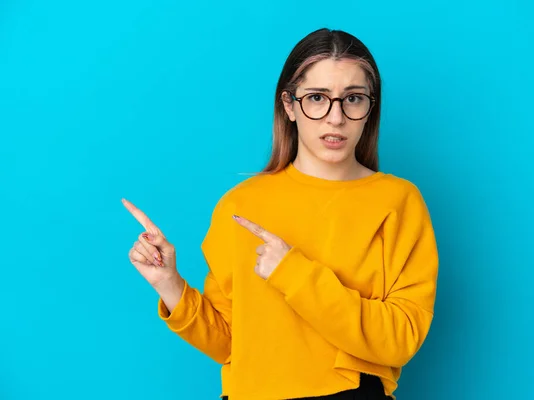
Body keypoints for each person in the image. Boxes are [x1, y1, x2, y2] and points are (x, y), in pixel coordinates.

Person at [122, 28, 438, 400]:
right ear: (289, 105)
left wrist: (294, 273)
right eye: (317, 98)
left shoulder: (397, 201)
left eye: (352, 98)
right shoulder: (241, 205)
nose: (335, 118)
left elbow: (399, 340)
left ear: (370, 107)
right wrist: (168, 283)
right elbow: (230, 344)